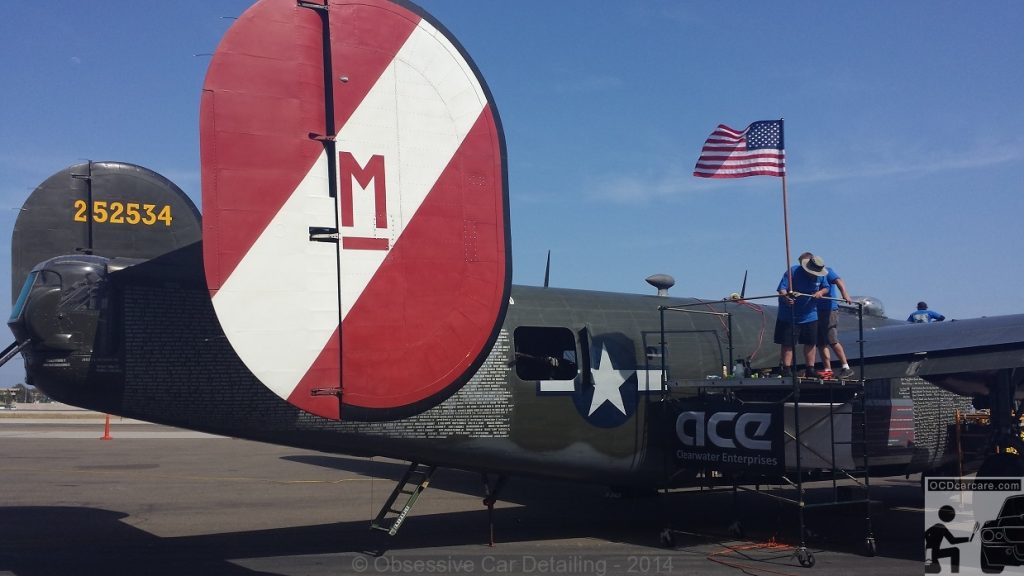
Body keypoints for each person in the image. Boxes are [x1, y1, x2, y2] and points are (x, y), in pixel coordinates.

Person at [775, 253, 829, 377]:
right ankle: (787, 369)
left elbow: (826, 287)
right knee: (788, 343)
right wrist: (786, 297)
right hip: (789, 314)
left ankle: (810, 369)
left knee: (811, 342)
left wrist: (820, 292)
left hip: (810, 314)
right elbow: (781, 289)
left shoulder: (821, 275)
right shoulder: (793, 271)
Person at [811, 255, 855, 380]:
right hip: (816, 310)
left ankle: (846, 366)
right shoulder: (811, 274)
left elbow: (838, 281)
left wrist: (845, 294)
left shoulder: (828, 271)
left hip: (829, 309)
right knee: (821, 342)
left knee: (832, 339)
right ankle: (827, 369)